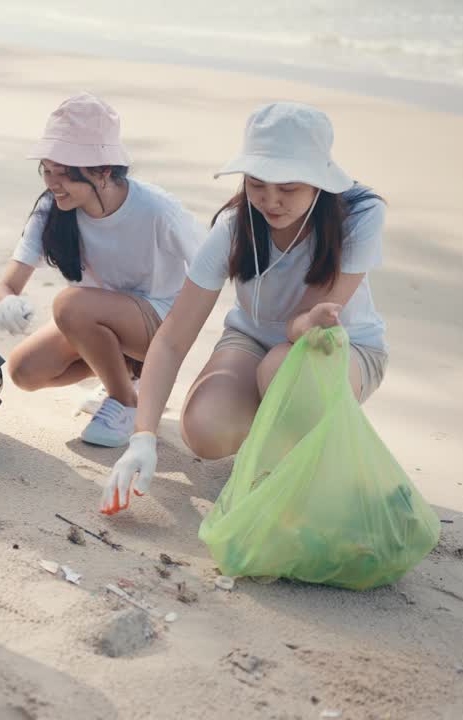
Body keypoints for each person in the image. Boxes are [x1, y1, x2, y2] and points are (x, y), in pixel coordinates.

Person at [101, 102, 388, 515]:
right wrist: (142, 438)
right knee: (205, 431)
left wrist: (311, 323)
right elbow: (172, 338)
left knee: (281, 368)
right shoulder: (235, 227)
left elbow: (301, 330)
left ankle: (298, 452)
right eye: (257, 184)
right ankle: (277, 438)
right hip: (252, 339)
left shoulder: (359, 215)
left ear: (319, 181)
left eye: (288, 188)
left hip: (339, 348)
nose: (270, 201)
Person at [0, 93, 201, 448]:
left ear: (103, 172)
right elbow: (8, 284)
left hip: (160, 322)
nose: (52, 183)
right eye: (47, 170)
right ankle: (124, 375)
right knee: (24, 371)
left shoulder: (157, 210)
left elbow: (208, 272)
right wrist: (5, 304)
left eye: (65, 175)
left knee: (70, 304)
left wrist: (173, 347)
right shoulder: (52, 209)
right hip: (100, 320)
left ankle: (126, 401)